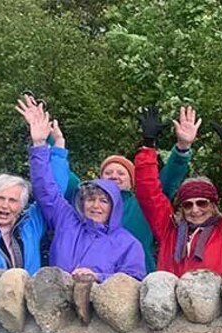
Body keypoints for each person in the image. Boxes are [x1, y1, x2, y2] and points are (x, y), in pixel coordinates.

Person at [47, 107, 199, 273]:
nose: (114, 176)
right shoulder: (87, 204)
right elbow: (61, 177)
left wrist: (182, 148)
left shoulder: (142, 205)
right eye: (108, 172)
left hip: (137, 278)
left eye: (121, 173)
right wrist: (48, 140)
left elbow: (167, 180)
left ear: (132, 182)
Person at [17, 95, 146, 281]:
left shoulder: (128, 243)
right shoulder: (66, 219)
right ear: (81, 202)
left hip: (99, 308)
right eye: (91, 199)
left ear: (114, 207)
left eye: (103, 201)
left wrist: (97, 277)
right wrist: (39, 144)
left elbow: (135, 279)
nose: (96, 205)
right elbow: (45, 188)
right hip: (56, 303)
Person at [134, 107, 222, 276]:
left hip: (212, 300)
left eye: (202, 202)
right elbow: (148, 194)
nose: (195, 210)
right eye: (187, 205)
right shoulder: (169, 230)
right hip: (170, 300)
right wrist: (148, 144)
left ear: (213, 205)